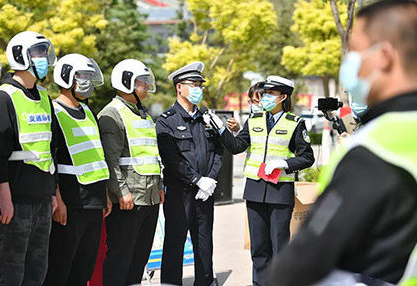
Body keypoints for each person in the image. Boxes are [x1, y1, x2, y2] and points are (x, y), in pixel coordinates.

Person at [267, 1, 417, 285]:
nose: (349, 64)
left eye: (355, 53)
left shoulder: (375, 148)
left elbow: (299, 265)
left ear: (384, 56)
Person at [206, 75, 314, 286]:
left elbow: (307, 157)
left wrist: (285, 163)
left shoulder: (295, 123)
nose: (265, 97)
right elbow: (237, 146)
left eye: (270, 94)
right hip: (255, 190)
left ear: (283, 97)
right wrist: (221, 130)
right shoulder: (253, 120)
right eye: (264, 93)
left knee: (279, 247)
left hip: (280, 191)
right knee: (258, 248)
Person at [43, 54, 111, 286]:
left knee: (84, 270)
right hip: (70, 203)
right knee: (60, 268)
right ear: (66, 77)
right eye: (82, 76)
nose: (87, 81)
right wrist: (57, 199)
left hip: (94, 202)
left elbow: (97, 158)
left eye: (89, 77)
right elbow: (50, 159)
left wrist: (104, 197)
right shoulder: (53, 112)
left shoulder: (89, 112)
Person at [156, 61, 224, 286]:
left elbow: (217, 151)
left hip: (206, 193)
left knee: (204, 243)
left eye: (200, 84)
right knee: (175, 244)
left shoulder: (207, 119)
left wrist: (211, 179)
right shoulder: (167, 121)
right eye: (193, 84)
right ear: (179, 87)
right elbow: (171, 159)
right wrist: (196, 180)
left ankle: (205, 282)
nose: (198, 89)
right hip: (180, 193)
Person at [0, 31, 58, 285]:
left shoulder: (44, 97)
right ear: (20, 56)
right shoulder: (4, 97)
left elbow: (50, 148)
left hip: (43, 199)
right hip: (16, 200)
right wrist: (5, 199)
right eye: (37, 53)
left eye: (44, 53)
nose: (43, 58)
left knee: (37, 271)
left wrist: (53, 193)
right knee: (11, 273)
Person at [98, 59, 164, 286]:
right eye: (141, 82)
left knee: (139, 259)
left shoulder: (142, 114)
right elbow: (110, 160)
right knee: (120, 259)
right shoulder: (112, 114)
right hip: (128, 200)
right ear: (125, 83)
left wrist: (159, 186)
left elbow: (151, 153)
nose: (146, 86)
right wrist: (121, 191)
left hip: (149, 197)